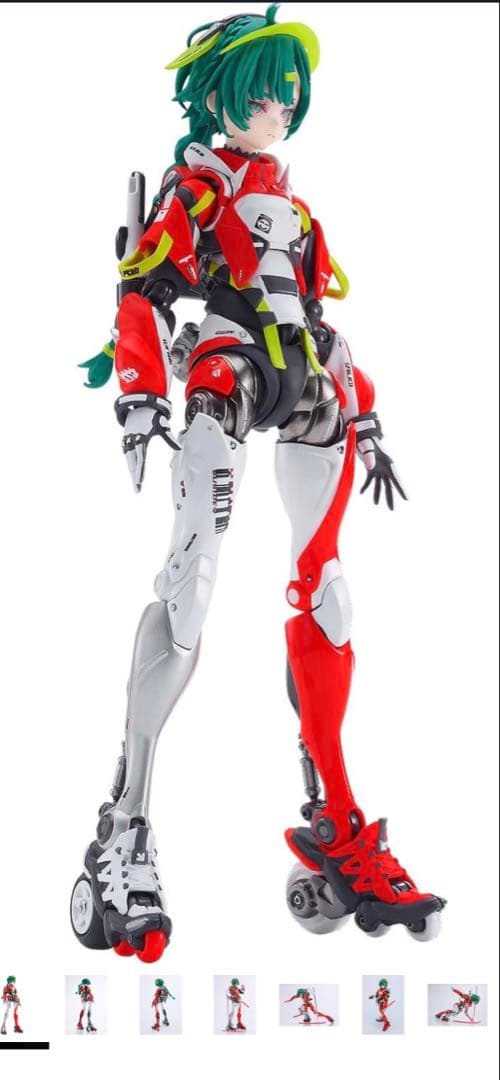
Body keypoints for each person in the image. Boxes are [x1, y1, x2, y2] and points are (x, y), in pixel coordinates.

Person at [71, 3, 444, 963]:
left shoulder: (295, 206)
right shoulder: (196, 188)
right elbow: (145, 294)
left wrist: (363, 407)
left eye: (289, 92)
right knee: (190, 588)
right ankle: (124, 827)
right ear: (220, 96)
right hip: (226, 376)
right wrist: (139, 393)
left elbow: (318, 314)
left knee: (329, 594)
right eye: (264, 90)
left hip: (307, 381)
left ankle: (335, 820)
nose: (279, 105)